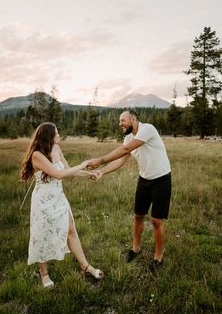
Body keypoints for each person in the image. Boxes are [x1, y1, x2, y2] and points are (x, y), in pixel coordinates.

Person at [87, 110, 171, 273]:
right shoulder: (127, 138)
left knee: (156, 220)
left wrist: (101, 160)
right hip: (144, 179)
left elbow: (125, 150)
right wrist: (102, 171)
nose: (120, 124)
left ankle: (158, 258)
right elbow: (121, 160)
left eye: (123, 120)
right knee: (138, 215)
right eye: (119, 121)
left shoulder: (148, 129)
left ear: (133, 119)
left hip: (161, 179)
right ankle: (135, 249)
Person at [21, 122, 103, 288]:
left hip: (59, 198)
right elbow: (58, 174)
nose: (59, 135)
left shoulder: (56, 149)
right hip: (43, 201)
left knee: (70, 230)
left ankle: (85, 267)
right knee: (41, 235)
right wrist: (83, 163)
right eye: (56, 133)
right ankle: (44, 274)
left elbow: (68, 169)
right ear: (48, 136)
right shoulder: (37, 155)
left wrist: (88, 174)